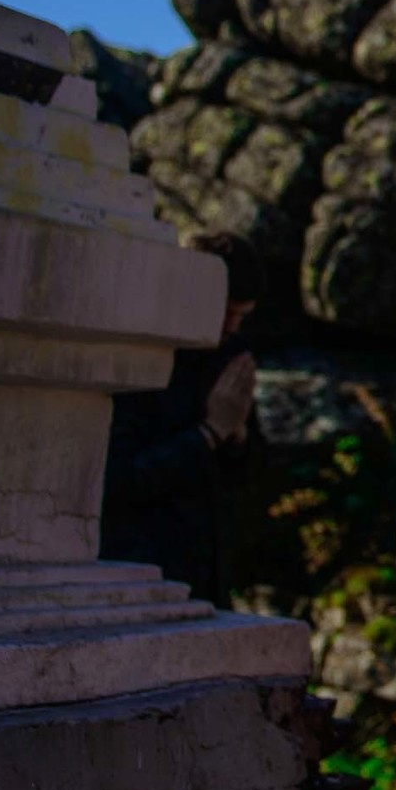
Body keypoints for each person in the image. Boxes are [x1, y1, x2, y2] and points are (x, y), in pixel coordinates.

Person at [99, 230, 260, 609]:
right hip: (141, 574)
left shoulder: (229, 358)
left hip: (203, 576)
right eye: (226, 311)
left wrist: (236, 438)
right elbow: (119, 479)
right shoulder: (140, 357)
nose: (231, 326)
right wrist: (207, 435)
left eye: (242, 315)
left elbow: (247, 482)